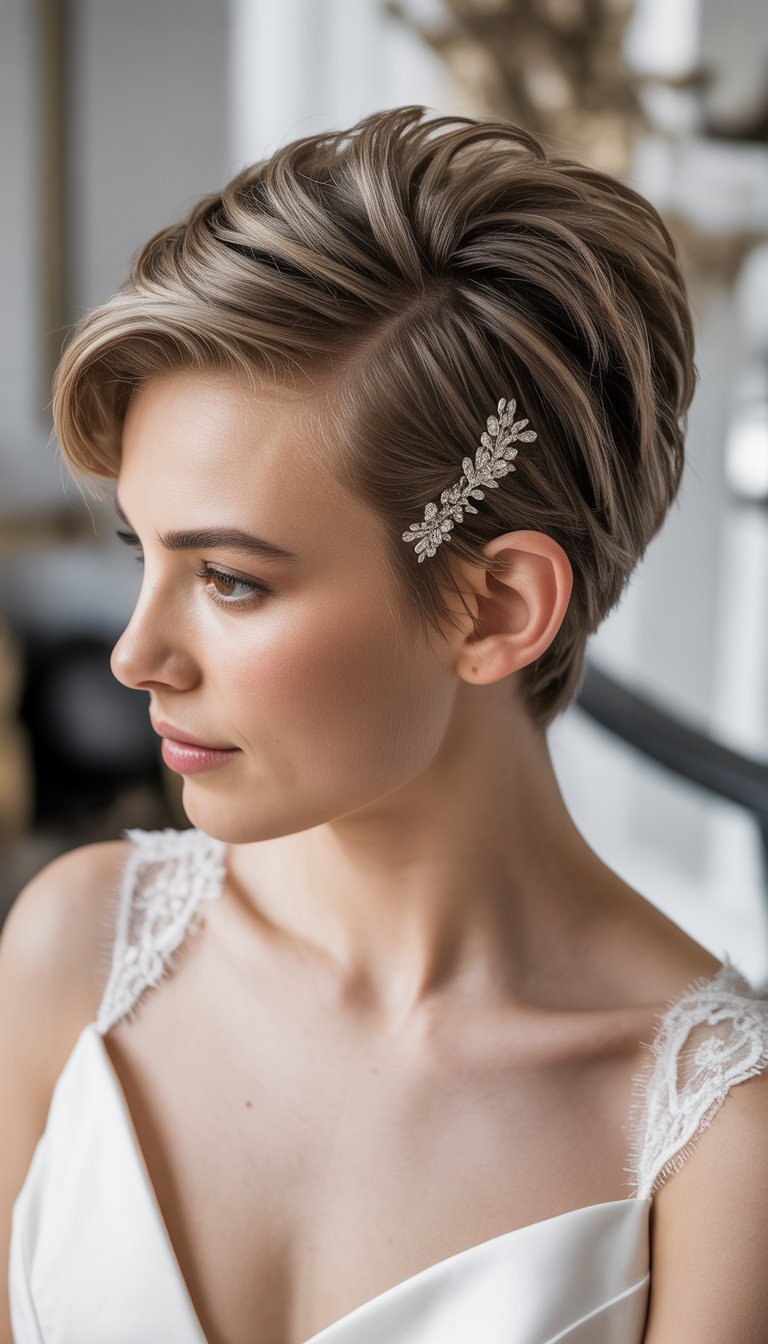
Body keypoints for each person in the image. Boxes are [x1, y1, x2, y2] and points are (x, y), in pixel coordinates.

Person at [2, 103, 767, 1344]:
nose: (135, 654)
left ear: (496, 606)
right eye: (140, 550)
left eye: (232, 579)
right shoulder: (71, 955)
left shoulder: (720, 1158)